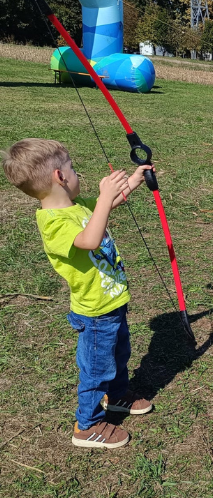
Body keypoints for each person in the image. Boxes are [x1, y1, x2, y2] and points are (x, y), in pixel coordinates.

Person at [1, 138, 154, 448]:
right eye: (73, 169)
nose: (77, 174)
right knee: (97, 370)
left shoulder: (74, 205)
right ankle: (87, 425)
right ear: (60, 176)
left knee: (118, 356)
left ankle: (118, 395)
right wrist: (102, 197)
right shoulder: (54, 222)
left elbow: (108, 206)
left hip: (111, 303)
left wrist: (133, 182)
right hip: (94, 312)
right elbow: (90, 239)